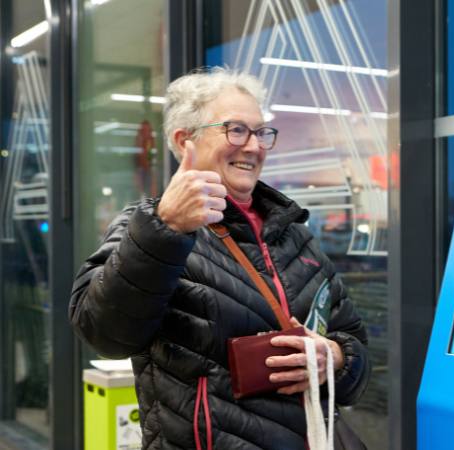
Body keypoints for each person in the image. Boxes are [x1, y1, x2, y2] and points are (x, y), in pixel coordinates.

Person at [69, 68, 370, 450]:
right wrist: (166, 228)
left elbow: (353, 341)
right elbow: (101, 332)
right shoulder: (147, 226)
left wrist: (335, 357)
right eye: (236, 130)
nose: (254, 146)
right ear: (183, 140)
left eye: (261, 132)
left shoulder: (294, 235)